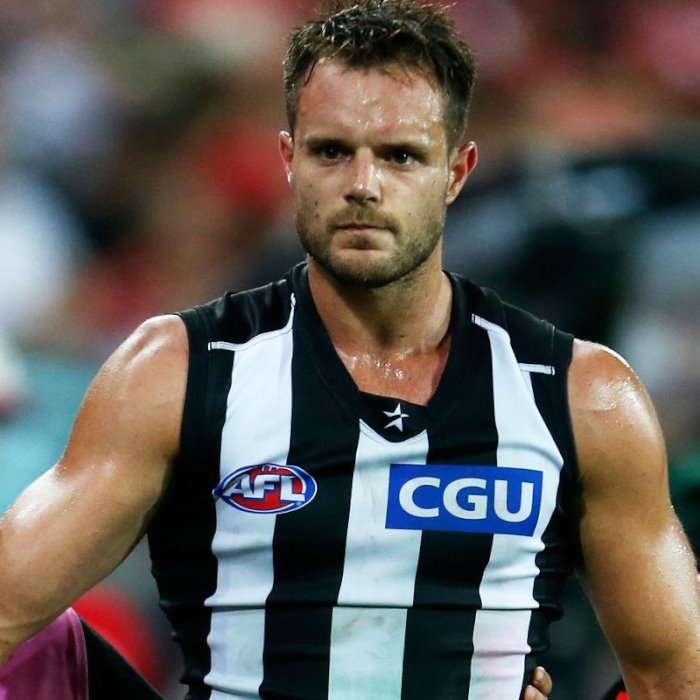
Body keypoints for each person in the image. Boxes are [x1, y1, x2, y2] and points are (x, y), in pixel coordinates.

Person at [0, 1, 699, 698]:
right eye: (332, 151)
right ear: (289, 159)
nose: (363, 186)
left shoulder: (581, 395)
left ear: (457, 172)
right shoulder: (178, 371)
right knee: (49, 645)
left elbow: (676, 673)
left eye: (401, 156)